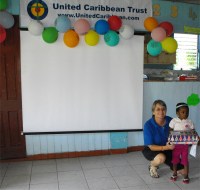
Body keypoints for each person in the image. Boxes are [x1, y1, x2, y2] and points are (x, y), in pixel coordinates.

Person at [142, 100, 184, 178]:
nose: (161, 112)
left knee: (183, 171)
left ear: (166, 111)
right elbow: (151, 146)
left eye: (163, 109)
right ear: (153, 112)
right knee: (160, 158)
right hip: (152, 149)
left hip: (168, 148)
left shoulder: (171, 121)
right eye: (158, 109)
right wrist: (166, 147)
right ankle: (152, 165)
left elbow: (178, 134)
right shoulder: (148, 125)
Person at [169, 102, 195, 184]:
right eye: (183, 112)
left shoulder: (189, 121)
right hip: (176, 145)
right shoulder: (174, 121)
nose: (185, 114)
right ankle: (174, 173)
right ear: (177, 113)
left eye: (187, 112)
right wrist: (170, 140)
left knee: (185, 160)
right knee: (175, 159)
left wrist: (193, 139)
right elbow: (170, 130)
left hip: (185, 145)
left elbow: (192, 131)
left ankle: (186, 176)